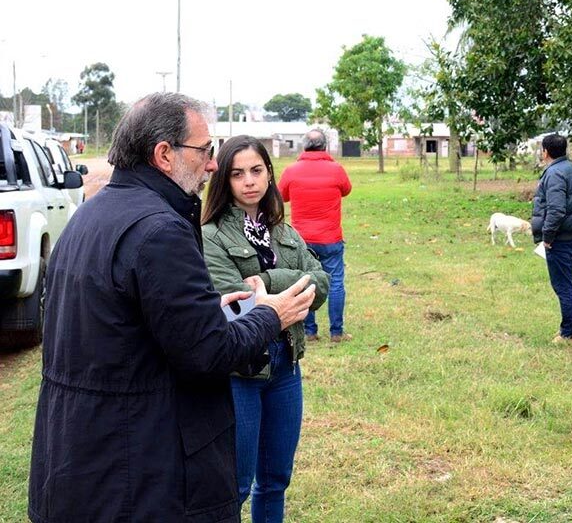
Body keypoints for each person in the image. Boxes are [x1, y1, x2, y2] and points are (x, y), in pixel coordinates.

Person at [28, 93, 316, 522]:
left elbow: (120, 324)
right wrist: (270, 314)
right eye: (205, 150)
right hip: (137, 473)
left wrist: (203, 309)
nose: (213, 164)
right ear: (164, 154)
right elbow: (209, 352)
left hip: (82, 462)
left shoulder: (91, 216)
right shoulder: (160, 229)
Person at [202, 136, 329, 522]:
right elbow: (238, 300)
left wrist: (269, 279)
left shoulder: (284, 231)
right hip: (241, 370)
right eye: (237, 174)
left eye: (257, 171)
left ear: (270, 174)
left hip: (286, 366)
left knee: (276, 480)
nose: (249, 182)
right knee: (236, 484)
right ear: (224, 180)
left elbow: (320, 284)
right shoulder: (210, 235)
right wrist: (289, 288)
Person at [279, 129, 353, 343]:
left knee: (305, 282)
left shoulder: (292, 171)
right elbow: (346, 190)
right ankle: (336, 332)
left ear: (304, 147)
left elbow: (282, 196)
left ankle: (310, 332)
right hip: (331, 238)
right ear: (325, 146)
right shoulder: (336, 169)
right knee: (336, 282)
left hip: (302, 240)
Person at [531, 133, 572, 342]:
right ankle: (568, 329)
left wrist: (547, 236)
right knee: (566, 282)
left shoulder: (554, 173)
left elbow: (556, 210)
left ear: (545, 152)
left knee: (563, 285)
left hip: (560, 238)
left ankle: (568, 332)